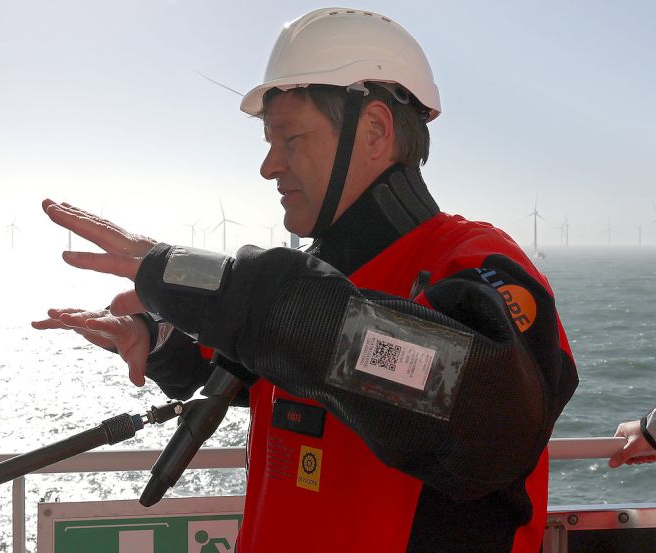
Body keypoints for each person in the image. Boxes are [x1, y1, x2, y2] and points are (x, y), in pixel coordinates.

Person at [33, 8, 578, 552]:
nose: (269, 166)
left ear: (374, 131)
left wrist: (193, 275)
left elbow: (490, 414)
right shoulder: (311, 290)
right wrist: (156, 339)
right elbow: (247, 362)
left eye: (289, 138)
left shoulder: (477, 264)